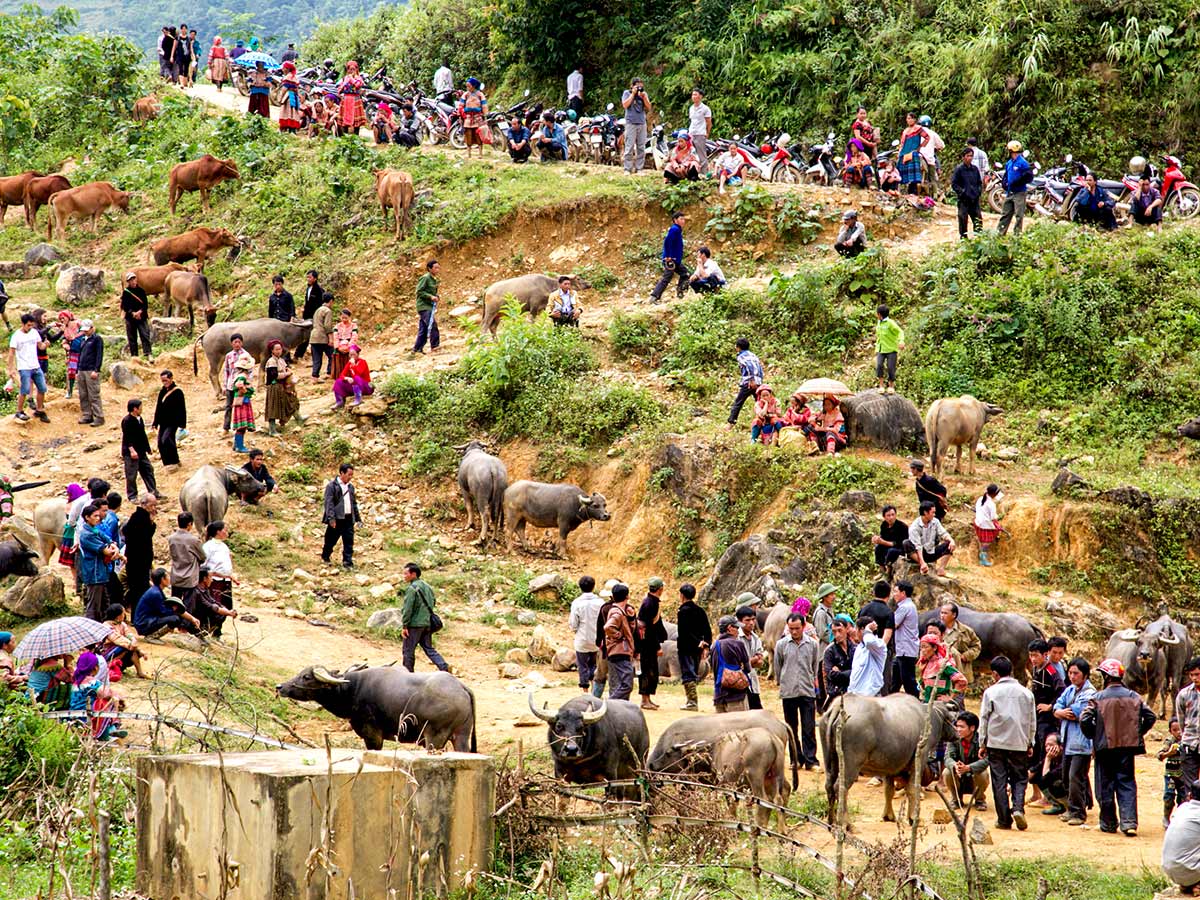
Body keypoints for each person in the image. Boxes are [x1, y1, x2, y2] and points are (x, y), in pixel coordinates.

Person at [1080, 657, 1157, 835]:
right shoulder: (1134, 696)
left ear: (1107, 676)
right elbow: (1150, 717)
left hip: (1104, 748)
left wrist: (1095, 735)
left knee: (1104, 785)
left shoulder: (1097, 698)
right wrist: (1137, 733)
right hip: (1127, 747)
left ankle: (1108, 824)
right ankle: (1129, 823)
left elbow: (1084, 719)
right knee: (1127, 783)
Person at [979, 655, 1036, 831]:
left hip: (996, 743)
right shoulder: (1027, 693)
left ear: (995, 674)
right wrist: (1030, 742)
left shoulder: (990, 692)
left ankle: (1004, 819)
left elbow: (984, 719)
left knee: (999, 780)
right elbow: (1032, 720)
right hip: (1019, 742)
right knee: (1019, 778)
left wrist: (982, 742)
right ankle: (1018, 807)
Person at [1052, 656, 1097, 826]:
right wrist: (1060, 712)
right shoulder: (1070, 690)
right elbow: (1058, 706)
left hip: (1082, 742)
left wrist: (1061, 712)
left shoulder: (1089, 693)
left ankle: (1078, 812)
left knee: (1075, 777)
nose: (1072, 676)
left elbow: (1076, 712)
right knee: (1067, 777)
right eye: (1070, 673)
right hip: (1068, 740)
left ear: (1085, 675)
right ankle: (1073, 807)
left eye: (1076, 673)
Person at [776, 612, 820, 768]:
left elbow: (814, 667)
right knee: (791, 727)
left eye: (797, 628)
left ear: (803, 626)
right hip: (789, 691)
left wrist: (811, 681)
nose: (794, 632)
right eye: (791, 628)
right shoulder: (781, 645)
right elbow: (778, 666)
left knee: (808, 727)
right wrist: (782, 682)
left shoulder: (813, 645)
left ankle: (811, 760)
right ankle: (795, 759)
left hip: (807, 690)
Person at [1026, 638, 1065, 809]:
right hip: (1036, 718)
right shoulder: (1036, 669)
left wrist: (1050, 706)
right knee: (1034, 753)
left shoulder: (1051, 671)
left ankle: (1047, 796)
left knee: (1044, 753)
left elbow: (1062, 691)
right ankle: (1036, 793)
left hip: (1048, 721)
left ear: (1045, 655)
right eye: (1031, 655)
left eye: (1036, 656)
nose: (1033, 659)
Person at [401, 562, 450, 672]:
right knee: (429, 648)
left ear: (413, 574)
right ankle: (443, 666)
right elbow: (433, 601)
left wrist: (405, 625)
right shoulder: (427, 586)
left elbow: (408, 609)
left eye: (405, 574)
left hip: (414, 625)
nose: (403, 576)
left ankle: (407, 674)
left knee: (408, 650)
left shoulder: (412, 588)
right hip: (427, 623)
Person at [7, 313, 50, 423]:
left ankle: (39, 410)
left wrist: (46, 344)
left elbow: (40, 346)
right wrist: (11, 368)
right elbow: (11, 353)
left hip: (35, 365)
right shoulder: (16, 336)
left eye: (32, 325)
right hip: (24, 366)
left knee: (42, 388)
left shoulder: (34, 333)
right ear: (23, 324)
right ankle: (19, 411)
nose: (30, 327)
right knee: (25, 390)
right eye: (28, 325)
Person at [79, 504, 119, 620]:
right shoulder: (87, 535)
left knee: (104, 603)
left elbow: (110, 541)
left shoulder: (94, 530)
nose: (98, 518)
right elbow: (106, 551)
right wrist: (115, 551)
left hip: (101, 573)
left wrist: (114, 547)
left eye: (98, 515)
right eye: (95, 516)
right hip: (94, 573)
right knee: (94, 606)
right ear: (87, 517)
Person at [943, 711, 990, 810]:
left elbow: (986, 760)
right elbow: (947, 757)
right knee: (947, 772)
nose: (958, 729)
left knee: (983, 774)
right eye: (957, 726)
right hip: (959, 775)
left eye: (962, 727)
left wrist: (969, 768)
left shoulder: (981, 740)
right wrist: (955, 765)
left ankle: (980, 800)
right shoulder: (954, 739)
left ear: (972, 728)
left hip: (974, 776)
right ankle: (956, 800)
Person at [134, 568, 200, 637]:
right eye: (168, 576)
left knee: (175, 616)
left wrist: (192, 619)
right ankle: (153, 636)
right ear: (163, 579)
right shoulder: (156, 593)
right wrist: (174, 609)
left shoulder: (157, 590)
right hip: (144, 624)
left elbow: (175, 609)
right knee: (175, 619)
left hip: (146, 621)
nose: (169, 578)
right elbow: (165, 612)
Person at [676, 582, 710, 711]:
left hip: (686, 647)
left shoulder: (683, 611)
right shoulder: (700, 610)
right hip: (698, 648)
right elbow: (707, 629)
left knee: (688, 673)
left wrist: (696, 641)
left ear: (682, 595)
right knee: (693, 672)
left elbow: (684, 631)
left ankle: (692, 701)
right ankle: (692, 701)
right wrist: (705, 644)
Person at [568, 575, 604, 693]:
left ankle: (585, 691)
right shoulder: (600, 602)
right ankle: (594, 690)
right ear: (593, 587)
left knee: (583, 666)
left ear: (580, 587)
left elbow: (573, 624)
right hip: (597, 640)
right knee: (594, 665)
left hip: (582, 640)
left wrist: (576, 629)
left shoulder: (577, 603)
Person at [637, 578, 669, 710]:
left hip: (648, 643)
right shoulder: (651, 604)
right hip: (647, 644)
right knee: (647, 671)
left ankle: (648, 698)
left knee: (652, 671)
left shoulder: (651, 602)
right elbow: (649, 628)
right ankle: (645, 700)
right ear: (660, 589)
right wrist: (657, 646)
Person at [121, 494, 157, 607]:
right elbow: (143, 538)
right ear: (144, 505)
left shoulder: (139, 517)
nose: (154, 508)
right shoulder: (139, 518)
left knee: (139, 590)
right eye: (152, 505)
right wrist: (151, 523)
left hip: (138, 562)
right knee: (139, 591)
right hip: (138, 562)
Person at [604, 583, 637, 701]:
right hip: (620, 651)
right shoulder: (617, 613)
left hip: (620, 651)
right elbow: (608, 627)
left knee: (622, 683)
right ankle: (610, 704)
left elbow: (630, 629)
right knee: (627, 684)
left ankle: (617, 705)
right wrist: (619, 636)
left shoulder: (622, 611)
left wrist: (632, 618)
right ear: (627, 596)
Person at [1164, 784, 1200, 895]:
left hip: (1171, 871)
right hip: (1189, 870)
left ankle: (1190, 884)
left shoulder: (1182, 808)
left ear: (1189, 796)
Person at [321, 463, 359, 568]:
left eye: (352, 475)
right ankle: (325, 556)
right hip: (337, 519)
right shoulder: (331, 486)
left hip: (348, 518)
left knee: (348, 541)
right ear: (342, 473)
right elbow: (329, 503)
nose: (350, 477)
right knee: (330, 540)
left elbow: (353, 503)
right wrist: (331, 518)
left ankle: (347, 562)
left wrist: (357, 518)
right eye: (349, 474)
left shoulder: (350, 487)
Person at [120, 399, 158, 502]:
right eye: (140, 407)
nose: (142, 409)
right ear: (135, 409)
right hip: (131, 453)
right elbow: (127, 437)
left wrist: (148, 448)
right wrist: (132, 450)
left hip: (141, 451)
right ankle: (132, 496)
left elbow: (143, 435)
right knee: (131, 474)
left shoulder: (140, 419)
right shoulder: (127, 421)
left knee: (148, 470)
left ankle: (153, 491)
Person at [712, 614, 752, 712]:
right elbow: (748, 668)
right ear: (729, 628)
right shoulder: (738, 644)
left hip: (719, 695)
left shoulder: (714, 646)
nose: (738, 631)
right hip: (736, 696)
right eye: (737, 627)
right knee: (740, 726)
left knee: (722, 727)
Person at [940, 602, 981, 692]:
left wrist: (965, 656)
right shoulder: (937, 630)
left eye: (945, 613)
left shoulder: (966, 631)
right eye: (941, 613)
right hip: (941, 671)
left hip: (960, 670)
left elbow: (976, 646)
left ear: (954, 615)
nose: (942, 616)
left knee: (958, 700)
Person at [650, 211, 689, 303]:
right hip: (670, 260)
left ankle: (680, 293)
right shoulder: (674, 229)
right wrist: (668, 257)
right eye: (681, 219)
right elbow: (667, 242)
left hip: (675, 260)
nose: (683, 221)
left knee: (685, 274)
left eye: (684, 219)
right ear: (675, 220)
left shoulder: (677, 229)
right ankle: (654, 297)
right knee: (667, 278)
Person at [724, 337, 764, 429]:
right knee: (760, 402)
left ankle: (731, 423)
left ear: (738, 347)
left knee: (738, 402)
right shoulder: (753, 355)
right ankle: (764, 421)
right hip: (758, 382)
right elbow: (759, 368)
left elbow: (749, 366)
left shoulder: (741, 356)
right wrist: (760, 380)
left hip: (749, 383)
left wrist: (752, 379)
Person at [150, 370, 186, 471]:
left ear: (171, 379)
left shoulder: (178, 392)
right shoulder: (162, 391)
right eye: (162, 381)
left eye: (166, 380)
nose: (164, 383)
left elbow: (182, 409)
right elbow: (158, 407)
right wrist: (155, 422)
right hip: (163, 421)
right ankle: (167, 463)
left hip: (173, 421)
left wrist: (182, 424)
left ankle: (174, 461)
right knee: (160, 443)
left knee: (167, 440)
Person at [908, 501, 955, 576]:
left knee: (949, 544)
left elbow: (943, 533)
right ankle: (923, 564)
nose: (934, 514)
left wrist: (951, 540)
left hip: (931, 551)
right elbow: (918, 546)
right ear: (925, 513)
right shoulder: (914, 527)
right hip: (919, 554)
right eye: (932, 512)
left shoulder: (935, 521)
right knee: (906, 543)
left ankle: (941, 569)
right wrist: (922, 563)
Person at [168, 511, 205, 607]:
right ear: (190, 524)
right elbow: (203, 557)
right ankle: (185, 622)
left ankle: (174, 621)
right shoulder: (194, 540)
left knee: (175, 605)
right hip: (189, 578)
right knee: (188, 606)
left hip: (176, 576)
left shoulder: (171, 538)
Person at [264, 340, 302, 433]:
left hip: (283, 386)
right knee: (273, 407)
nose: (278, 351)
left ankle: (299, 419)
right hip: (274, 387)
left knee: (290, 401)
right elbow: (274, 376)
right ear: (272, 351)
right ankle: (272, 430)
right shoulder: (271, 361)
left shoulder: (281, 360)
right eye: (276, 349)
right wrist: (286, 374)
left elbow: (285, 369)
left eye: (280, 349)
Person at [189, 567, 238, 637]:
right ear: (204, 579)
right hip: (195, 619)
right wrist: (228, 612)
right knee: (218, 614)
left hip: (202, 616)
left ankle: (204, 632)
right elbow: (211, 606)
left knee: (221, 613)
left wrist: (226, 610)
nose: (212, 580)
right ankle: (199, 632)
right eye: (210, 577)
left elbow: (214, 601)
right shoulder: (196, 592)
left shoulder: (205, 590)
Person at [997, 140, 1033, 236]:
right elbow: (1006, 175)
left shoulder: (1023, 163)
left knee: (1018, 215)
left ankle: (1017, 235)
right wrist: (1004, 183)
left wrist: (1018, 182)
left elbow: (1029, 176)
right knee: (1005, 214)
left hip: (1019, 192)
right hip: (1010, 192)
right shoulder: (1009, 163)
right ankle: (1000, 233)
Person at [917, 634, 967, 702]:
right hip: (926, 703)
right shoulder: (924, 664)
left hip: (939, 705)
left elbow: (962, 681)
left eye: (925, 647)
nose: (922, 650)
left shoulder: (943, 664)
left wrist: (950, 697)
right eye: (921, 647)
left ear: (934, 648)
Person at [1177, 657, 1200, 798]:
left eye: (1197, 674)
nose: (1194, 678)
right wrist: (1184, 738)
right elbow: (1181, 720)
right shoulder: (1184, 695)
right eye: (1192, 675)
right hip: (1189, 744)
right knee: (1190, 787)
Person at [202, 520, 237, 613]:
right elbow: (204, 565)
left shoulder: (224, 546)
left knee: (225, 607)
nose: (227, 532)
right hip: (214, 581)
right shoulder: (208, 546)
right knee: (215, 607)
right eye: (225, 530)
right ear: (218, 531)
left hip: (226, 581)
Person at [892, 580, 919, 697]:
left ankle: (916, 703)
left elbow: (893, 624)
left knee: (908, 682)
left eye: (895, 591)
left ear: (903, 593)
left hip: (905, 651)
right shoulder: (909, 606)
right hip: (903, 650)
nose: (894, 594)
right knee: (895, 681)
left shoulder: (904, 607)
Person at [822, 615, 855, 708]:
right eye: (834, 632)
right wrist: (850, 672)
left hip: (852, 691)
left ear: (846, 629)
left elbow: (859, 671)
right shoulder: (830, 651)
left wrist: (841, 672)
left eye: (840, 630)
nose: (837, 635)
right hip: (836, 693)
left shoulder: (854, 648)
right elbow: (830, 674)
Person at [736, 605, 765, 710]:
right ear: (739, 621)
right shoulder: (736, 638)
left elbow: (760, 663)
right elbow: (739, 664)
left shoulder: (755, 638)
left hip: (752, 681)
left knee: (757, 711)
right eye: (747, 620)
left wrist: (751, 661)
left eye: (753, 619)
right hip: (738, 682)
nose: (751, 623)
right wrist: (754, 659)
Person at [951, 147, 984, 239]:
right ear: (963, 157)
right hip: (964, 200)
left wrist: (978, 192)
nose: (970, 158)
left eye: (971, 156)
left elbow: (979, 182)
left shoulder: (975, 169)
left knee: (978, 220)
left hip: (974, 200)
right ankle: (963, 239)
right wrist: (962, 192)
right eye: (968, 156)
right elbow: (954, 184)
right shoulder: (959, 169)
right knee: (963, 219)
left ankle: (978, 239)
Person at [849, 617, 887, 696]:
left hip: (871, 696)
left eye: (857, 629)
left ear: (862, 630)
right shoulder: (859, 647)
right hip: (857, 694)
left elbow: (869, 642)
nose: (855, 632)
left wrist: (867, 631)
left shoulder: (879, 645)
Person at [76, 319, 104, 426]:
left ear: (93, 328)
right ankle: (87, 415)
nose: (86, 332)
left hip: (91, 370)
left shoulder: (97, 339)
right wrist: (78, 369)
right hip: (82, 369)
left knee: (93, 394)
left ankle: (99, 416)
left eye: (87, 330)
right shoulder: (83, 339)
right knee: (83, 394)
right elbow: (80, 355)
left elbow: (99, 355)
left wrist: (96, 370)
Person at [621, 78, 652, 174]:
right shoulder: (627, 93)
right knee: (629, 146)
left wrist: (643, 97)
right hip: (631, 122)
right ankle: (627, 168)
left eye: (641, 86)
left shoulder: (643, 94)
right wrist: (633, 94)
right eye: (637, 86)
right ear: (632, 86)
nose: (639, 88)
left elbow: (649, 107)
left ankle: (639, 168)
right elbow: (625, 105)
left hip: (642, 122)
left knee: (641, 147)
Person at [874, 303, 905, 394]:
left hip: (891, 349)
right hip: (881, 349)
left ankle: (891, 386)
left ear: (879, 314)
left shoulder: (890, 323)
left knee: (891, 368)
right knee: (879, 366)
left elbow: (900, 332)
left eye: (877, 313)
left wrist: (901, 341)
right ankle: (881, 385)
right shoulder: (879, 322)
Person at [1164, 718, 1189, 827]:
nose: (1178, 732)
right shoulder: (1169, 742)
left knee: (1183, 798)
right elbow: (1160, 755)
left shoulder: (1188, 741)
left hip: (1183, 776)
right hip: (1171, 775)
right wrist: (1169, 753)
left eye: (1180, 729)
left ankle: (1178, 819)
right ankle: (1166, 817)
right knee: (1169, 796)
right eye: (1175, 730)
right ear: (1170, 731)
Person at [120, 272, 152, 359]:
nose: (133, 281)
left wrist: (139, 312)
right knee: (132, 337)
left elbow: (145, 304)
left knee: (145, 335)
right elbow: (124, 306)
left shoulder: (141, 291)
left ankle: (148, 353)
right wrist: (132, 313)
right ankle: (134, 356)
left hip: (142, 317)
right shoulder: (126, 293)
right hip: (130, 318)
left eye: (134, 279)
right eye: (131, 280)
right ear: (128, 282)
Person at [230, 353, 256, 453]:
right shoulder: (242, 377)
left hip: (242, 402)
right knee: (242, 426)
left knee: (241, 426)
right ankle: (239, 446)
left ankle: (236, 444)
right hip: (243, 403)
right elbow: (239, 386)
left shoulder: (238, 376)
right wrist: (245, 390)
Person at [414, 260, 440, 354]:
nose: (438, 270)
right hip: (423, 306)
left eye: (438, 267)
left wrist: (436, 296)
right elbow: (419, 291)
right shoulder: (425, 278)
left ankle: (417, 349)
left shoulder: (434, 279)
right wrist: (430, 297)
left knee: (424, 329)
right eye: (435, 268)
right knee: (432, 325)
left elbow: (432, 291)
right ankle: (435, 347)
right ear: (429, 269)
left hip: (429, 306)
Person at [897, 113, 928, 195]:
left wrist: (920, 147)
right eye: (908, 118)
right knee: (901, 174)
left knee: (913, 177)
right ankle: (903, 192)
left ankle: (913, 192)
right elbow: (902, 143)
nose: (909, 120)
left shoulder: (918, 128)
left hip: (913, 153)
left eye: (911, 118)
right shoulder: (905, 131)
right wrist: (900, 152)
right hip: (904, 153)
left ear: (915, 119)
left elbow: (927, 137)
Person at [220, 334, 246, 432]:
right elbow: (226, 371)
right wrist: (225, 385)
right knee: (228, 406)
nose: (237, 344)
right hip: (231, 385)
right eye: (235, 342)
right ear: (231, 343)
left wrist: (246, 383)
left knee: (240, 406)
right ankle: (226, 427)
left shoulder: (245, 355)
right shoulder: (229, 356)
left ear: (242, 343)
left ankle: (240, 427)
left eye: (239, 342)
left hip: (241, 385)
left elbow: (250, 371)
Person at [974, 483, 1003, 566]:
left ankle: (982, 553)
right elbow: (993, 518)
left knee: (983, 540)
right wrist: (998, 521)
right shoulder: (991, 504)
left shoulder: (980, 499)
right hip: (985, 525)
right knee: (986, 542)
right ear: (994, 494)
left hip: (978, 522)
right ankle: (983, 558)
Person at [872, 505, 909, 570]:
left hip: (900, 549)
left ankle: (889, 571)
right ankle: (882, 569)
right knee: (878, 548)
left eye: (893, 514)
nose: (891, 517)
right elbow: (883, 537)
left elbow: (898, 544)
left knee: (891, 551)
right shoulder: (884, 525)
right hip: (889, 545)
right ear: (884, 517)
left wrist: (883, 542)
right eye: (888, 515)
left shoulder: (902, 527)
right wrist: (877, 539)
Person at [309, 291, 335, 380]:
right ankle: (329, 373)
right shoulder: (328, 311)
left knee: (317, 359)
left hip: (313, 337)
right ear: (331, 301)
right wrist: (331, 339)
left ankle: (314, 377)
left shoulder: (318, 310)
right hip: (322, 337)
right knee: (332, 355)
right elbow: (327, 326)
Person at [917, 115, 945, 197]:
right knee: (932, 179)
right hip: (929, 160)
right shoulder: (933, 134)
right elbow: (942, 145)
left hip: (916, 158)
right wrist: (935, 148)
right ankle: (934, 196)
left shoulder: (916, 133)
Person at [338, 62, 367, 135]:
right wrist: (341, 91)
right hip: (346, 100)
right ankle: (345, 136)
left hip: (355, 100)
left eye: (353, 69)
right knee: (345, 119)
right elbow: (340, 88)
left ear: (356, 70)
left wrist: (351, 79)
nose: (351, 71)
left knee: (356, 120)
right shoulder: (345, 78)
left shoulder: (359, 78)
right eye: (350, 69)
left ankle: (356, 136)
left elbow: (357, 85)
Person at [461, 77, 488, 158]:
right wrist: (462, 114)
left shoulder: (480, 94)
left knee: (478, 135)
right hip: (468, 117)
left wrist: (485, 115)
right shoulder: (465, 95)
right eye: (467, 86)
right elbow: (461, 106)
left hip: (477, 117)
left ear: (473, 86)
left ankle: (480, 153)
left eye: (469, 86)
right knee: (468, 135)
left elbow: (484, 106)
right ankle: (469, 153)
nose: (467, 88)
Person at [279, 61, 303, 133]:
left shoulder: (288, 77)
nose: (282, 69)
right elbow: (297, 90)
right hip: (294, 97)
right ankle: (292, 130)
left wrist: (280, 98)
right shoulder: (294, 77)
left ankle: (286, 128)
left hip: (288, 96)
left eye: (283, 68)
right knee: (293, 113)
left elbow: (284, 89)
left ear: (287, 69)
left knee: (287, 112)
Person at [810, 584, 836, 648]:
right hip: (824, 649)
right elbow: (823, 634)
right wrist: (836, 640)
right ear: (825, 597)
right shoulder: (821, 613)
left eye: (834, 594)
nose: (834, 597)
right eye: (831, 594)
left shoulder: (829, 610)